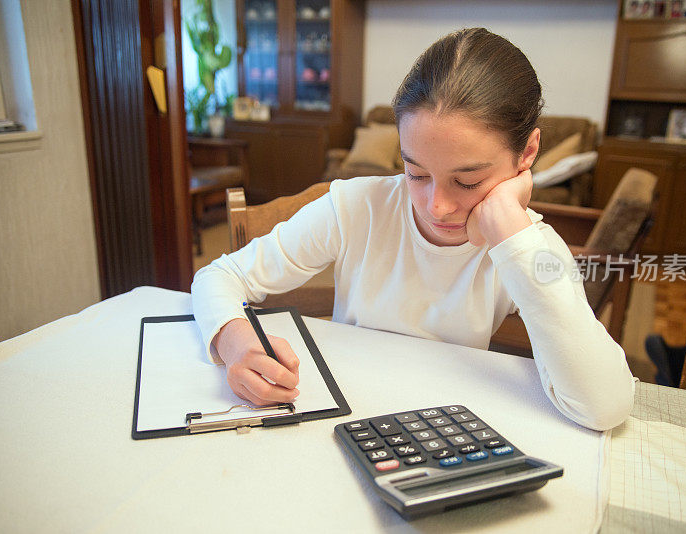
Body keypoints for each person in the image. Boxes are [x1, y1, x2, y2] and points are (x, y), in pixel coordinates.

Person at [191, 28, 635, 431]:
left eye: (468, 180)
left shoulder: (526, 244)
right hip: (342, 412)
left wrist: (512, 235)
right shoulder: (356, 206)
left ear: (528, 151)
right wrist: (234, 342)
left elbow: (604, 405)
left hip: (440, 425)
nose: (436, 206)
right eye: (415, 172)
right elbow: (219, 275)